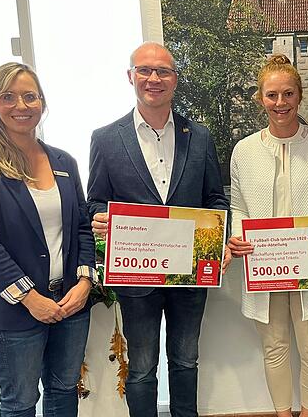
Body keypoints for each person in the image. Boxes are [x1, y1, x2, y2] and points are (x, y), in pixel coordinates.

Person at [87, 42, 228, 417]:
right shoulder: (105, 138)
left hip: (190, 276)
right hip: (137, 278)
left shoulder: (198, 136)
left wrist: (219, 237)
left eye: (163, 71)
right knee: (142, 369)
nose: (154, 78)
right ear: (130, 75)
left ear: (175, 80)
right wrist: (99, 217)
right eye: (145, 70)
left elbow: (216, 199)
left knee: (185, 362)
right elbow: (95, 202)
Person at [0, 62, 96, 417]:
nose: (21, 105)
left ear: (42, 103)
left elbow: (81, 227)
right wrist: (31, 298)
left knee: (64, 392)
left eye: (29, 96)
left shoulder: (64, 161)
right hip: (14, 312)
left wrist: (84, 282)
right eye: (8, 97)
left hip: (70, 304)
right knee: (20, 404)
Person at [227, 54, 308, 417]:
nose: (280, 103)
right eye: (272, 95)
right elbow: (238, 208)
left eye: (288, 94)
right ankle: (284, 414)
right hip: (263, 267)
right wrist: (237, 237)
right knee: (275, 347)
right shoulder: (244, 151)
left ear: (299, 96)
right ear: (260, 98)